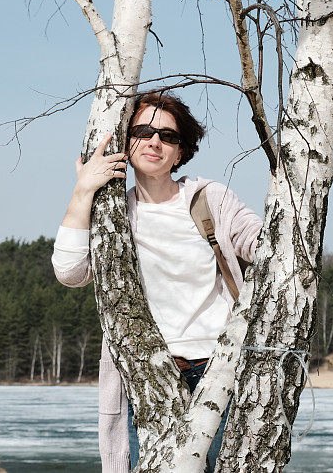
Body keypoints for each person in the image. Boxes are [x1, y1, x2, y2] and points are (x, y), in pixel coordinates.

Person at [51, 93, 262, 473]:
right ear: (125, 142)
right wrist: (83, 191)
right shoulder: (112, 211)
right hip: (144, 376)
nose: (154, 142)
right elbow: (70, 272)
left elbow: (261, 243)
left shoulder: (208, 198)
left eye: (168, 136)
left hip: (217, 371)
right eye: (143, 132)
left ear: (180, 152)